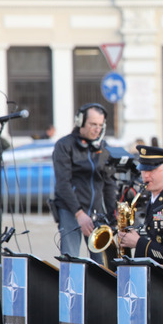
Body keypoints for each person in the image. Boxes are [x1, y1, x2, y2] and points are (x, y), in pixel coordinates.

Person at [52, 103, 117, 262]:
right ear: (80, 122)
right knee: (71, 260)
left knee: (102, 264)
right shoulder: (64, 145)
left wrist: (113, 217)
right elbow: (63, 184)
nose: (97, 129)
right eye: (93, 124)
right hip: (70, 210)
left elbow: (108, 184)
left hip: (96, 213)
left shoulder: (103, 147)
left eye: (100, 125)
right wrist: (79, 214)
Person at [118, 145, 163, 271]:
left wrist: (138, 243)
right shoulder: (153, 195)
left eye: (151, 171)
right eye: (143, 170)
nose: (145, 176)